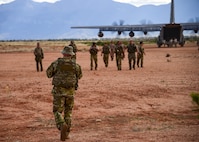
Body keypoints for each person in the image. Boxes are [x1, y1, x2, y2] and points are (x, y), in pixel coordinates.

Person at [46, 46, 82, 141]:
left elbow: (48, 74)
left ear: (63, 53)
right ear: (71, 55)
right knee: (68, 112)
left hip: (58, 92)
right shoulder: (75, 65)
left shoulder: (56, 63)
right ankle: (66, 133)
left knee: (57, 111)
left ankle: (61, 125)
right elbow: (80, 75)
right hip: (70, 92)